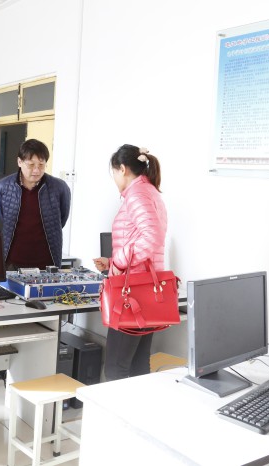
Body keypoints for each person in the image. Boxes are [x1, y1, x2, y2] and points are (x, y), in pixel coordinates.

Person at [93, 144, 167, 381]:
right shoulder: (150, 191)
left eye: (114, 172)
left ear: (123, 169)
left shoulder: (137, 194)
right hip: (146, 289)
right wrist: (112, 261)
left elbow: (151, 237)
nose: (114, 178)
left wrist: (119, 263)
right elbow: (142, 240)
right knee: (137, 366)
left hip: (132, 293)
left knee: (116, 368)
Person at [0, 139, 71, 270]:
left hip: (47, 263)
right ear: (19, 162)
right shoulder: (3, 186)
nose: (36, 170)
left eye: (41, 165)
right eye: (31, 165)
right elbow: (4, 218)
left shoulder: (59, 187)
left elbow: (61, 221)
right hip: (12, 261)